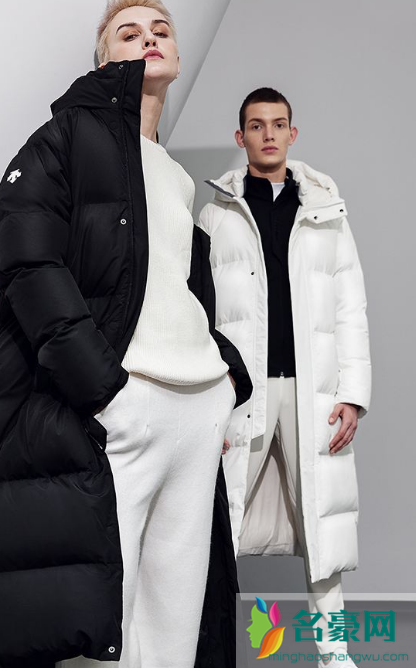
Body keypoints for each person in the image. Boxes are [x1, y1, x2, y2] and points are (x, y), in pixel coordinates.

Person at [0, 2, 252, 667]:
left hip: (196, 409)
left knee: (174, 617)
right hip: (124, 405)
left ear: (177, 56)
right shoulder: (68, 135)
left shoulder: (172, 174)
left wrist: (225, 380)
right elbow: (23, 252)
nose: (149, 39)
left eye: (161, 31)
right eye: (128, 33)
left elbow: (175, 288)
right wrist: (103, 389)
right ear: (105, 59)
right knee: (102, 616)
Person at [198, 87, 371, 668]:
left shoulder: (326, 212)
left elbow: (351, 308)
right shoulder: (216, 214)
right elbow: (200, 311)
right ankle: (205, 649)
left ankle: (335, 655)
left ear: (292, 134)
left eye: (278, 124)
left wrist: (353, 395)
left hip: (310, 390)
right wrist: (208, 396)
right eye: (256, 125)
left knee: (322, 530)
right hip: (240, 393)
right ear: (240, 136)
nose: (268, 134)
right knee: (214, 521)